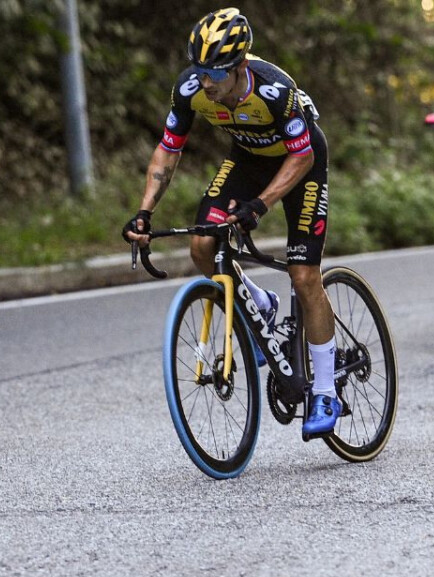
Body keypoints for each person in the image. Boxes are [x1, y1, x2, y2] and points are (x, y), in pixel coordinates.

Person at [121, 8, 342, 439]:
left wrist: (260, 205)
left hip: (302, 163)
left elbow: (302, 155)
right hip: (247, 159)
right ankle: (258, 301)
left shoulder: (276, 90)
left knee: (303, 275)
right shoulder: (190, 90)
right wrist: (145, 211)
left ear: (240, 67)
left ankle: (325, 388)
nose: (206, 83)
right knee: (203, 245)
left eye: (215, 74)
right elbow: (168, 150)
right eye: (199, 71)